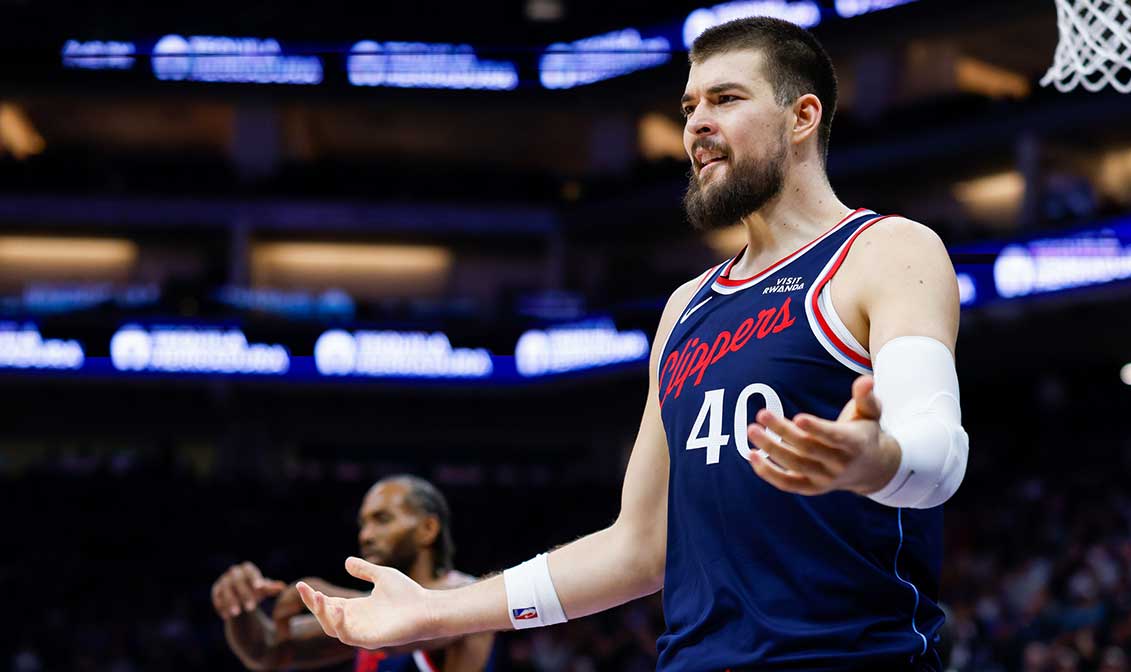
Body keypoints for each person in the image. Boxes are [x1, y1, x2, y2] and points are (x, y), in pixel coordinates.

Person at [296, 16, 968, 671]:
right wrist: (436, 613)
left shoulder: (885, 250)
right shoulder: (686, 308)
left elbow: (936, 455)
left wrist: (876, 461)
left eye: (727, 99)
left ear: (802, 117)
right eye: (689, 106)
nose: (696, 124)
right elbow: (636, 550)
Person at [211, 475, 495, 671]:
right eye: (363, 523)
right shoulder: (364, 610)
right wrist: (239, 606)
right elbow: (267, 650)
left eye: (382, 520)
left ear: (428, 529)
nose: (366, 535)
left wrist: (317, 592)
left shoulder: (466, 597)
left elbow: (413, 622)